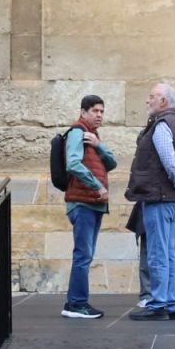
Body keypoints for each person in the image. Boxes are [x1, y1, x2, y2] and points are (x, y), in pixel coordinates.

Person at [125, 82, 175, 323]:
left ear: (164, 102)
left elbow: (170, 162)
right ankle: (172, 302)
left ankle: (158, 303)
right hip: (169, 197)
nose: (148, 100)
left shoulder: (162, 126)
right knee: (167, 252)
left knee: (158, 252)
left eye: (152, 97)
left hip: (160, 196)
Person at [60, 94, 116, 320]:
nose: (100, 115)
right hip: (83, 203)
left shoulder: (92, 136)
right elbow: (73, 163)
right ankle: (76, 304)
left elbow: (112, 162)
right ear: (83, 112)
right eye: (95, 111)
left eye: (102, 111)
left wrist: (98, 145)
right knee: (83, 255)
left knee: (85, 254)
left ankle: (75, 301)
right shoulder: (77, 132)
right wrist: (97, 187)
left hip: (92, 204)